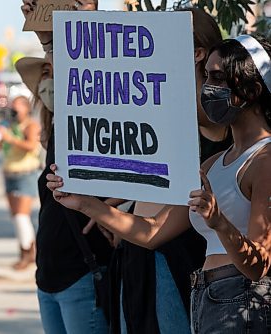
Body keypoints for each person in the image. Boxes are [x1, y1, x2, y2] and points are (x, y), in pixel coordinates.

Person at [48, 34, 271, 332]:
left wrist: (219, 223)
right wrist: (85, 203)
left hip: (242, 302)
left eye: (218, 77)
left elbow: (258, 265)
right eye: (206, 77)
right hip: (206, 300)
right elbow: (151, 231)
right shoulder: (212, 164)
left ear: (252, 89)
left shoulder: (265, 161)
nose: (208, 88)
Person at [100, 8, 233, 334]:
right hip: (138, 253)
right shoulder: (161, 103)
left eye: (163, 42)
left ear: (197, 53)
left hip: (178, 258)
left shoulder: (216, 114)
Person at [16, 52, 111, 333]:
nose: (48, 80)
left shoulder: (88, 127)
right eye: (44, 73)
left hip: (80, 274)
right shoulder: (53, 133)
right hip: (48, 278)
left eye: (55, 70)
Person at [0, 95, 41, 270]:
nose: (13, 111)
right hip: (10, 173)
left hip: (25, 174)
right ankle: (24, 251)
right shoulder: (10, 125)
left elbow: (31, 146)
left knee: (22, 217)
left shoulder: (31, 125)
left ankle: (29, 252)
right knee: (16, 218)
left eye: (17, 107)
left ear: (26, 108)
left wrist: (11, 139)